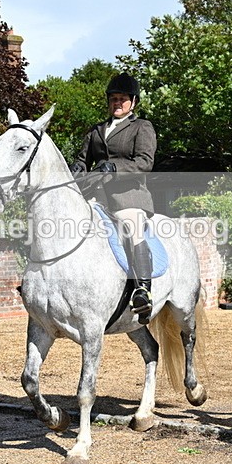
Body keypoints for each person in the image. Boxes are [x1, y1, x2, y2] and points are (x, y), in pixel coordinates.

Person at [69, 72, 157, 323]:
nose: (117, 103)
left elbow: (144, 162)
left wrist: (114, 168)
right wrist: (75, 171)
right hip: (96, 196)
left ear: (133, 103)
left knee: (131, 228)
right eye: (114, 99)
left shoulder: (142, 127)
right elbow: (82, 160)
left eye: (123, 99)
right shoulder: (97, 130)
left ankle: (143, 291)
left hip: (129, 197)